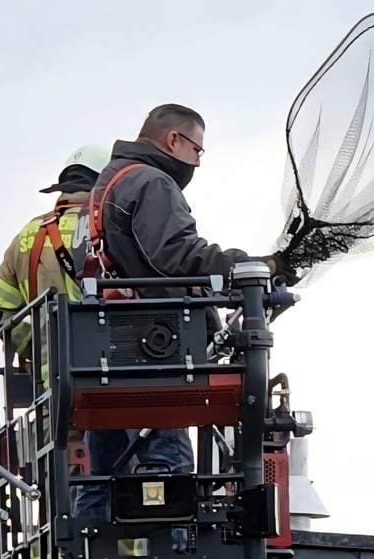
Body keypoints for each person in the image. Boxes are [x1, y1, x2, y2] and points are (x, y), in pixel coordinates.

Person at [71, 104, 295, 520]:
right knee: (168, 463)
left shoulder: (104, 188)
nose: (196, 161)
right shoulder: (152, 182)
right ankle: (171, 547)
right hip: (151, 350)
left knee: (102, 475)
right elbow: (176, 254)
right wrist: (249, 268)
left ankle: (81, 553)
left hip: (106, 351)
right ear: (174, 140)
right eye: (197, 150)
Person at [0, 143, 111, 369]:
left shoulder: (29, 234)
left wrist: (35, 344)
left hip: (53, 383)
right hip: (117, 369)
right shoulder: (115, 224)